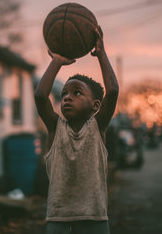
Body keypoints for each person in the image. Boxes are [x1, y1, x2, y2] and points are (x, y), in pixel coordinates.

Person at [34, 26, 119, 234]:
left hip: (94, 217)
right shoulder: (55, 128)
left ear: (95, 105)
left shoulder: (98, 127)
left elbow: (113, 90)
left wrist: (101, 53)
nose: (67, 97)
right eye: (64, 94)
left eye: (77, 93)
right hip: (59, 218)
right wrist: (57, 61)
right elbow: (40, 96)